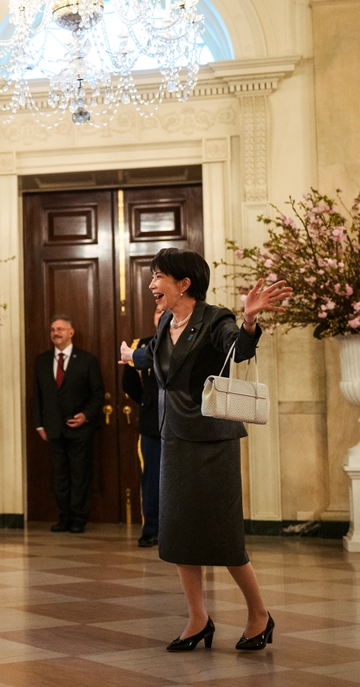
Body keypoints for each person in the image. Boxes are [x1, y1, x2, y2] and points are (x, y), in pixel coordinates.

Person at [119, 248, 291, 652]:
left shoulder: (216, 319)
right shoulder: (165, 321)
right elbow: (157, 357)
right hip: (173, 440)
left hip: (213, 442)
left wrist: (249, 320)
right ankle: (198, 619)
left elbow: (240, 349)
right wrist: (132, 355)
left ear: (184, 283)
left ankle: (259, 615)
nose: (150, 285)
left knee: (224, 537)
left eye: (158, 276)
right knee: (178, 535)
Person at [32, 315, 104, 534]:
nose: (56, 333)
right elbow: (37, 396)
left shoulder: (87, 360)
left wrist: (85, 415)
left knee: (80, 475)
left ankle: (78, 518)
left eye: (60, 329)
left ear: (71, 333)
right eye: (53, 329)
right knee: (60, 476)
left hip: (80, 429)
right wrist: (39, 425)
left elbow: (98, 394)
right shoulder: (42, 360)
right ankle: (63, 517)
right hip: (53, 429)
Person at [123, 304, 166, 548]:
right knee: (151, 478)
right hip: (151, 423)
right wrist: (147, 401)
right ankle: (151, 529)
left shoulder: (187, 340)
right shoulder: (140, 344)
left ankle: (179, 529)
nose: (161, 315)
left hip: (182, 422)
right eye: (157, 311)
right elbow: (129, 384)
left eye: (165, 311)